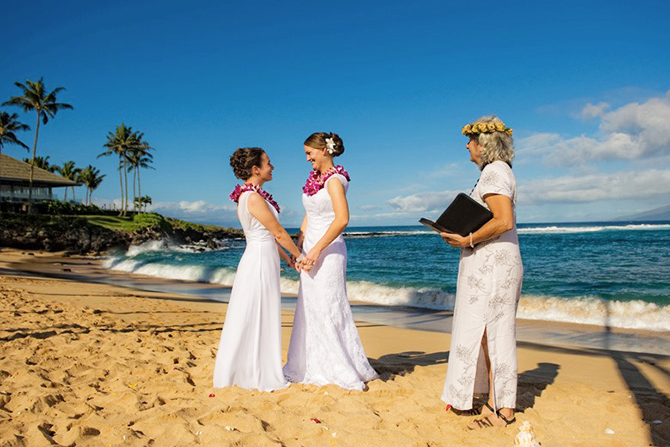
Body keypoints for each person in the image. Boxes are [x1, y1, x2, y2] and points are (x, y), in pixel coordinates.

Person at [440, 116, 523, 429]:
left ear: (484, 144)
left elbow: (503, 220)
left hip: (494, 266)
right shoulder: (497, 173)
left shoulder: (494, 171)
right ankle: (490, 398)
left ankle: (503, 410)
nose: (467, 146)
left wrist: (467, 238)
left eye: (470, 140)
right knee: (488, 334)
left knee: (498, 334)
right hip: (490, 263)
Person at [283, 132, 378, 390]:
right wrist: (299, 245)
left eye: (309, 153)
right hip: (310, 248)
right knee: (310, 306)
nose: (307, 159)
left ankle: (338, 365)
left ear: (324, 150)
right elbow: (309, 214)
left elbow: (342, 219)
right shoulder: (315, 180)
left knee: (329, 305)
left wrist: (316, 251)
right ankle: (310, 363)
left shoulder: (335, 180)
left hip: (329, 252)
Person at [213, 147, 304, 392]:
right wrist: (300, 256)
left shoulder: (249, 196)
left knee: (256, 312)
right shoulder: (253, 198)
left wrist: (287, 259)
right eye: (268, 163)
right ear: (256, 169)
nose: (272, 167)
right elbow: (277, 232)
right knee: (256, 311)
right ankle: (253, 372)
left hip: (262, 256)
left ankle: (250, 367)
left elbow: (269, 237)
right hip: (260, 260)